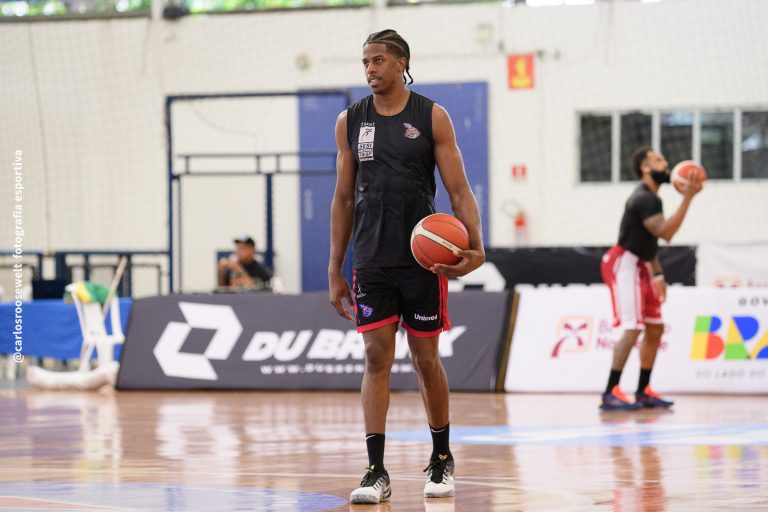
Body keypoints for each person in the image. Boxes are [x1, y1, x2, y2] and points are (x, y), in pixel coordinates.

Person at [328, 29, 485, 504]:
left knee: (425, 359)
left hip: (422, 261)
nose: (370, 69)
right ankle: (376, 471)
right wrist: (335, 268)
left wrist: (477, 246)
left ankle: (441, 458)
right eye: (365, 62)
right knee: (375, 358)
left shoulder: (431, 116)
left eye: (378, 60)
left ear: (401, 64)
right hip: (371, 257)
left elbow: (459, 189)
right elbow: (342, 198)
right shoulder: (350, 121)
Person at [600, 147, 702, 411]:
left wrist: (657, 274)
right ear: (645, 168)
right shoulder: (644, 198)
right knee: (633, 327)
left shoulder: (653, 198)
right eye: (658, 160)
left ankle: (643, 390)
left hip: (642, 263)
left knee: (655, 328)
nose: (665, 164)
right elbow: (665, 233)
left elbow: (648, 242)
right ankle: (610, 392)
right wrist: (688, 198)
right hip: (624, 263)